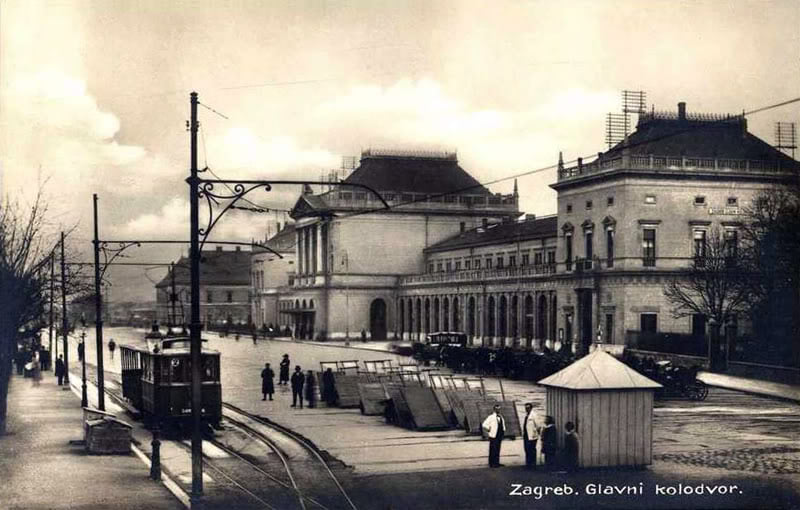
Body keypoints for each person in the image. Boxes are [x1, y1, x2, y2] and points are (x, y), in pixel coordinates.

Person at [522, 403, 540, 469]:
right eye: (526, 408)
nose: (527, 409)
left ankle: (533, 464)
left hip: (532, 436)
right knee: (526, 449)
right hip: (526, 435)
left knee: (532, 450)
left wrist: (536, 434)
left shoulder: (534, 415)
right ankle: (528, 464)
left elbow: (538, 425)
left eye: (528, 408)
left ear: (531, 408)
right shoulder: (526, 415)